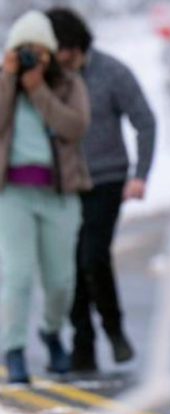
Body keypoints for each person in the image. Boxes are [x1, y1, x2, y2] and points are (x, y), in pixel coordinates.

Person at [47, 7, 157, 372]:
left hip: (107, 179)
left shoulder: (112, 72)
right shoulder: (46, 79)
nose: (61, 59)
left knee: (92, 255)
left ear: (78, 45)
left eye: (65, 50)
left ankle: (112, 328)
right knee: (69, 263)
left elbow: (145, 120)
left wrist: (140, 174)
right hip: (62, 182)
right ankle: (83, 341)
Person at [0, 11, 91, 384]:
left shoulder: (68, 84)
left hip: (59, 194)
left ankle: (51, 333)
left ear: (50, 53)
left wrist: (38, 89)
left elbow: (75, 127)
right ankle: (14, 350)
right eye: (22, 50)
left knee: (60, 282)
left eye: (36, 51)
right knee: (17, 275)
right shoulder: (3, 81)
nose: (28, 58)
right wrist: (9, 79)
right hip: (13, 196)